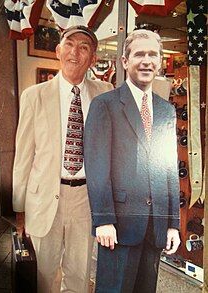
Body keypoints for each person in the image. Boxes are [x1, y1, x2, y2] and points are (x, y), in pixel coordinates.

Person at [13, 25, 113, 293]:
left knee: (79, 275)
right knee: (42, 275)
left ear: (93, 58)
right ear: (58, 51)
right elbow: (23, 156)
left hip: (85, 197)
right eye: (70, 44)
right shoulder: (34, 96)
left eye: (84, 48)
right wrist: (19, 208)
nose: (75, 52)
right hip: (44, 196)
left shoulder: (105, 94)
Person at [84, 29, 181, 293]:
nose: (146, 61)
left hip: (154, 228)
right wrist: (103, 219)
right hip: (118, 228)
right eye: (139, 54)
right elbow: (97, 167)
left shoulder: (166, 110)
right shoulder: (105, 105)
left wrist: (173, 224)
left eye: (153, 55)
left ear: (160, 61)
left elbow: (169, 170)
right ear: (125, 62)